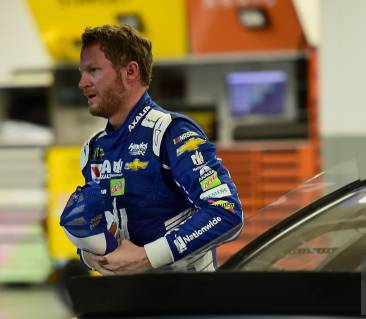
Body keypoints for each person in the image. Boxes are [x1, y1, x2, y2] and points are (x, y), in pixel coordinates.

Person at [72, 24, 243, 275]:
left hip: (186, 302)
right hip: (128, 301)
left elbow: (225, 211)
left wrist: (147, 257)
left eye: (93, 70)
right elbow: (97, 224)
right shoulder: (94, 149)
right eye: (82, 72)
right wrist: (89, 255)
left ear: (130, 72)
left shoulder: (172, 133)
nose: (82, 82)